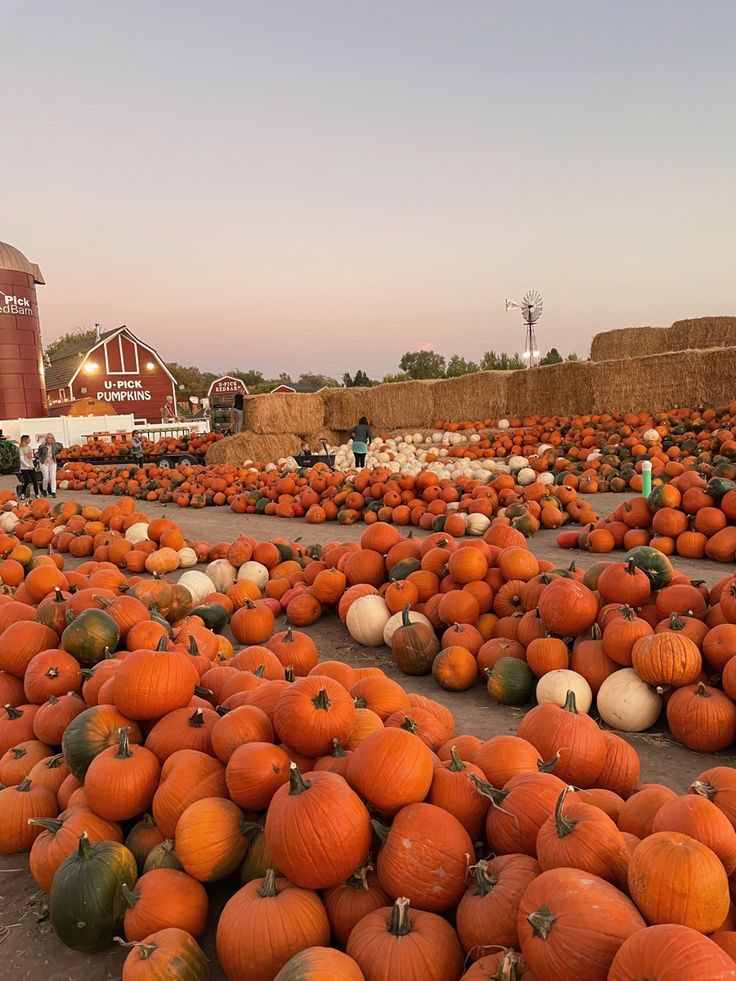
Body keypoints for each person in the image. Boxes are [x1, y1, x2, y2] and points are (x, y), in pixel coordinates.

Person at [37, 433, 61, 498]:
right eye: (48, 438)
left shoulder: (55, 446)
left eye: (51, 438)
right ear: (46, 439)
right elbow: (38, 454)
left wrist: (58, 454)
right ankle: (44, 490)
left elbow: (61, 449)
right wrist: (42, 460)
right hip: (44, 463)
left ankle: (53, 492)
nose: (50, 439)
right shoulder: (42, 446)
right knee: (46, 478)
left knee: (53, 477)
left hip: (52, 462)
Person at [18, 435, 40, 500]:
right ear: (25, 440)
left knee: (34, 481)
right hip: (24, 468)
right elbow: (22, 459)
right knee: (27, 481)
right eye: (29, 439)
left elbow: (30, 458)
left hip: (31, 467)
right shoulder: (21, 448)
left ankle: (37, 494)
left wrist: (33, 466)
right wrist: (28, 466)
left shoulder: (29, 447)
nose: (30, 440)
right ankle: (22, 493)